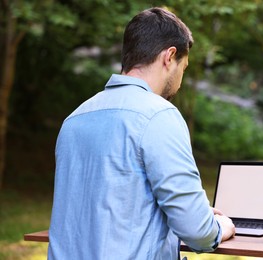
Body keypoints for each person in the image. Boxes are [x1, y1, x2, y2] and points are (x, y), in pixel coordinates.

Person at [48, 7, 235, 260]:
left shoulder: (75, 118)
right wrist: (219, 227)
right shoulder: (159, 115)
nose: (180, 79)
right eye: (184, 67)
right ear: (169, 57)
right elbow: (197, 231)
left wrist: (195, 211)